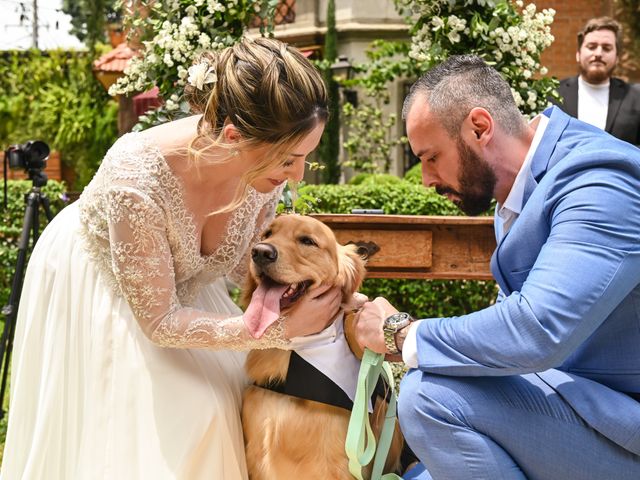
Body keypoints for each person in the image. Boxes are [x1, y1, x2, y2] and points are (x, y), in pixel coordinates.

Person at [0, 37, 342, 480]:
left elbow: (243, 266)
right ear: (235, 136)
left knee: (242, 398)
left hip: (190, 294)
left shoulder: (262, 171)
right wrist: (276, 329)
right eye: (289, 159)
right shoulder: (135, 179)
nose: (296, 175)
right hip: (112, 288)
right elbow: (160, 321)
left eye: (304, 158)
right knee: (197, 416)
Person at [354, 55, 640, 480]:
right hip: (571, 407)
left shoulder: (598, 181)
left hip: (622, 432)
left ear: (480, 127)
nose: (426, 181)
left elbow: (536, 330)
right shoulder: (517, 190)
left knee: (427, 398)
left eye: (431, 157)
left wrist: (400, 332)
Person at [553, 16, 640, 147]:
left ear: (617, 58)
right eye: (591, 46)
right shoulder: (554, 94)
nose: (598, 53)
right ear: (578, 54)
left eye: (607, 48)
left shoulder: (635, 97)